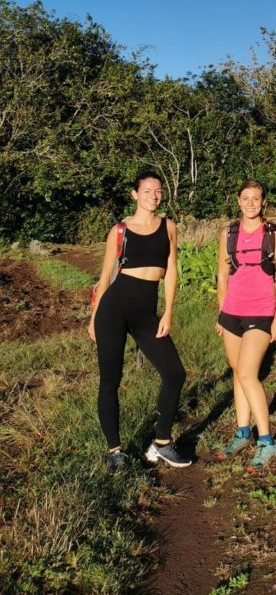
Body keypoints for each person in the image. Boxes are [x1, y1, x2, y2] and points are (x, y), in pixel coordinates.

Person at [89, 172, 190, 471]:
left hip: (147, 312)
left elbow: (171, 271)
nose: (153, 195)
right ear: (135, 194)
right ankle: (114, 452)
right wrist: (93, 317)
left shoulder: (168, 227)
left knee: (174, 373)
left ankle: (161, 443)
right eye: (147, 191)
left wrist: (169, 311)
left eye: (158, 191)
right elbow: (105, 277)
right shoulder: (119, 231)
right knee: (110, 381)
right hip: (114, 309)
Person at [215, 181, 276, 470]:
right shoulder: (228, 233)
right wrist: (222, 312)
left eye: (255, 199)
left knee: (248, 373)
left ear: (263, 202)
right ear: (238, 201)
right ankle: (242, 432)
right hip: (231, 312)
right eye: (245, 198)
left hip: (261, 313)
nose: (250, 203)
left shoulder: (274, 233)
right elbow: (222, 274)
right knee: (237, 373)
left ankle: (267, 441)